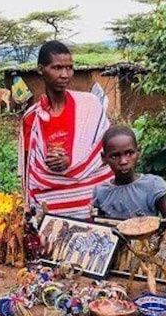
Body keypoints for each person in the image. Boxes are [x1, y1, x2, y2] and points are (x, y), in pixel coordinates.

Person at [19, 40, 112, 219]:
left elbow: (107, 150)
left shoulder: (90, 105)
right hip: (52, 208)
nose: (65, 74)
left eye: (69, 68)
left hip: (92, 203)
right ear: (40, 70)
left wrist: (71, 162)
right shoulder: (32, 117)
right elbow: (29, 169)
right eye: (57, 68)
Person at [92, 126, 166, 224]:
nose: (123, 161)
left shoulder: (152, 186)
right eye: (115, 156)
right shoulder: (101, 193)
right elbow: (99, 227)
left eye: (129, 153)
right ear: (104, 158)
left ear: (138, 152)